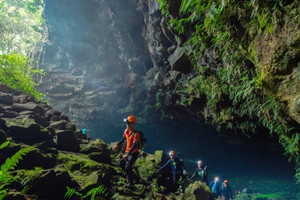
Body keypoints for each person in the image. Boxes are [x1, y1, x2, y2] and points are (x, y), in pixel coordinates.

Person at [112, 115, 140, 188]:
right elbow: (123, 139)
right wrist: (117, 145)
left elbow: (135, 145)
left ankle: (131, 184)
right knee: (121, 164)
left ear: (133, 124)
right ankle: (132, 175)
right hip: (127, 152)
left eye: (128, 123)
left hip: (134, 152)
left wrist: (127, 154)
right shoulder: (126, 131)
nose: (127, 124)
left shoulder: (136, 133)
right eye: (127, 123)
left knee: (127, 167)